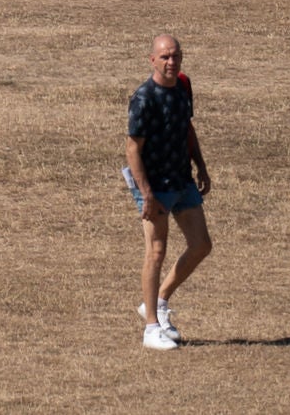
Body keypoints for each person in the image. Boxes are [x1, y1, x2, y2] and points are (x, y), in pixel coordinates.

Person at [127, 33, 212, 348]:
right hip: (154, 184)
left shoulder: (184, 86)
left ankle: (158, 302)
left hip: (181, 178)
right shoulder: (144, 98)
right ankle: (151, 328)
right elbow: (132, 150)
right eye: (164, 57)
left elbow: (187, 128)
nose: (171, 62)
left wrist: (200, 166)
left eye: (175, 56)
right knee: (157, 251)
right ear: (152, 60)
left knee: (201, 244)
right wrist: (145, 192)